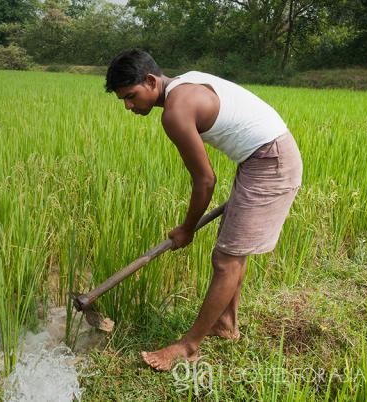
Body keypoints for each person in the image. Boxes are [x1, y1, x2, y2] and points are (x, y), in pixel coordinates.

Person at [105, 49, 303, 371]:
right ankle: (225, 324)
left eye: (130, 96)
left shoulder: (175, 111)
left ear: (151, 81)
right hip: (260, 158)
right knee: (232, 252)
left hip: (270, 162)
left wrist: (186, 228)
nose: (128, 106)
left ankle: (188, 346)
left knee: (227, 259)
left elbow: (205, 180)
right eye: (123, 101)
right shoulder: (185, 83)